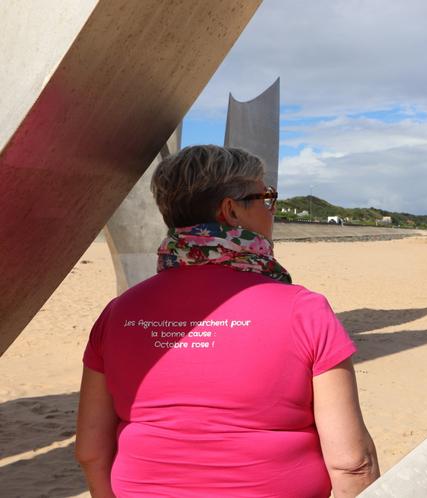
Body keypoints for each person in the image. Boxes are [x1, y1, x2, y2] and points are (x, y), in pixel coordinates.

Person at [76, 145, 379, 497]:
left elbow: (90, 451)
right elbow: (352, 463)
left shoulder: (118, 313)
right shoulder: (304, 310)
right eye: (266, 197)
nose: (272, 210)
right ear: (231, 211)